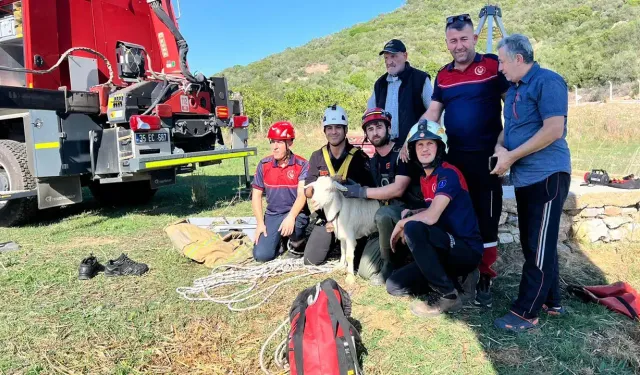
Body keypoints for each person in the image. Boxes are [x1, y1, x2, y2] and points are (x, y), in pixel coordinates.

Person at [417, 14, 510, 307]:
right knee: (454, 217)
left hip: (487, 160)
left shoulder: (493, 66)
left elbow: (515, 108)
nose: (459, 45)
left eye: (464, 39)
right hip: (455, 159)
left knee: (487, 219)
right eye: (453, 40)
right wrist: (410, 140)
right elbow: (432, 114)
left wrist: (503, 144)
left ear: (474, 39)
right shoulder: (443, 75)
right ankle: (461, 270)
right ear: (447, 43)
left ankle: (485, 276)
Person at [491, 34, 571, 332]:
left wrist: (511, 156)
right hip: (525, 178)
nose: (499, 67)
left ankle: (526, 312)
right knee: (535, 242)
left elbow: (553, 129)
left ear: (518, 59)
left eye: (501, 61)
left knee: (538, 245)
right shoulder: (513, 90)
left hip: (548, 174)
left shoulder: (548, 82)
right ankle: (553, 301)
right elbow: (509, 130)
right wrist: (501, 149)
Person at [385, 120, 484, 317]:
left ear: (440, 146)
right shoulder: (425, 179)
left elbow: (431, 216)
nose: (424, 149)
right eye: (419, 145)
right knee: (394, 286)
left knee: (413, 228)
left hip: (464, 248)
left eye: (430, 143)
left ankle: (448, 296)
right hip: (443, 247)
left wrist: (403, 223)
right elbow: (434, 208)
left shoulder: (448, 174)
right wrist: (413, 213)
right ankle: (454, 281)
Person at [341, 108, 426, 285]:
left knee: (384, 214)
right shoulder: (372, 162)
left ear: (388, 128)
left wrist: (361, 191)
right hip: (386, 219)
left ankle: (390, 264)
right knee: (365, 270)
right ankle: (398, 253)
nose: (375, 132)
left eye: (379, 127)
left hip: (410, 212)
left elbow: (398, 189)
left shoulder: (401, 153)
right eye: (370, 129)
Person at [303, 104, 376, 267]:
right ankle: (333, 241)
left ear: (345, 130)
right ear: (324, 130)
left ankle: (358, 242)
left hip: (354, 219)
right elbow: (308, 190)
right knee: (310, 260)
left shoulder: (359, 157)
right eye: (329, 128)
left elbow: (370, 189)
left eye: (338, 127)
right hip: (326, 217)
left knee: (358, 261)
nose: (333, 132)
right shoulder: (317, 156)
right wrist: (320, 188)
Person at [251, 121, 310, 262]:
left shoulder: (302, 165)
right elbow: (256, 196)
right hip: (273, 214)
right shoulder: (264, 165)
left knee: (296, 227)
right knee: (261, 256)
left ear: (289, 143)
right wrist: (260, 223)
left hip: (295, 214)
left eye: (279, 142)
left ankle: (297, 243)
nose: (274, 147)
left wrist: (291, 217)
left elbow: (302, 195)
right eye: (272, 142)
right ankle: (280, 240)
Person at [367, 39, 433, 145]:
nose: (389, 62)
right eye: (386, 58)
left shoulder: (420, 79)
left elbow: (434, 112)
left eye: (393, 56)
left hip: (415, 146)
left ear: (405, 56)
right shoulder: (380, 84)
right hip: (386, 148)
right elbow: (370, 115)